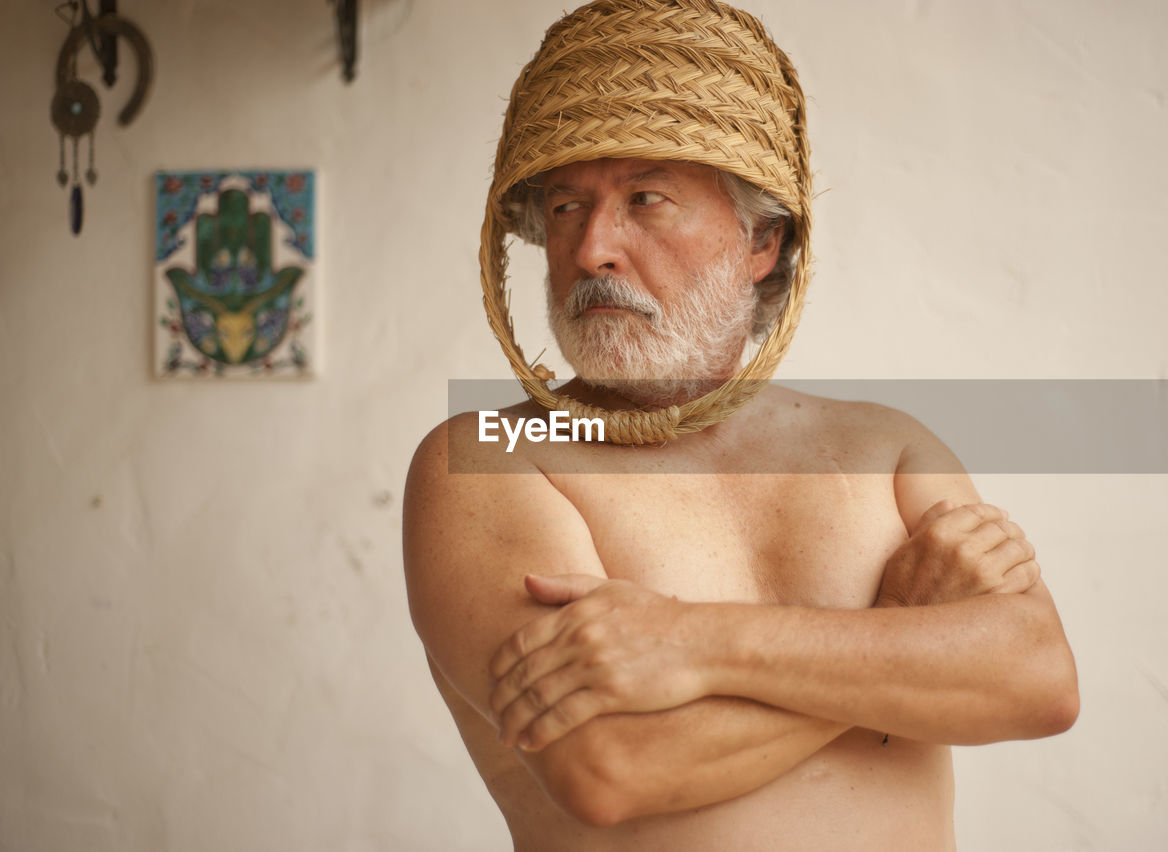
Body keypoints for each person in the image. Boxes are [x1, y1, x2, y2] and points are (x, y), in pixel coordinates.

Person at [403, 1, 1078, 849]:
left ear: (762, 241)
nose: (593, 249)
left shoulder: (881, 445)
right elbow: (613, 766)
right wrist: (897, 634)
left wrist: (694, 641)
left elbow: (1039, 680)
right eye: (569, 206)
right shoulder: (485, 459)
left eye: (646, 199)